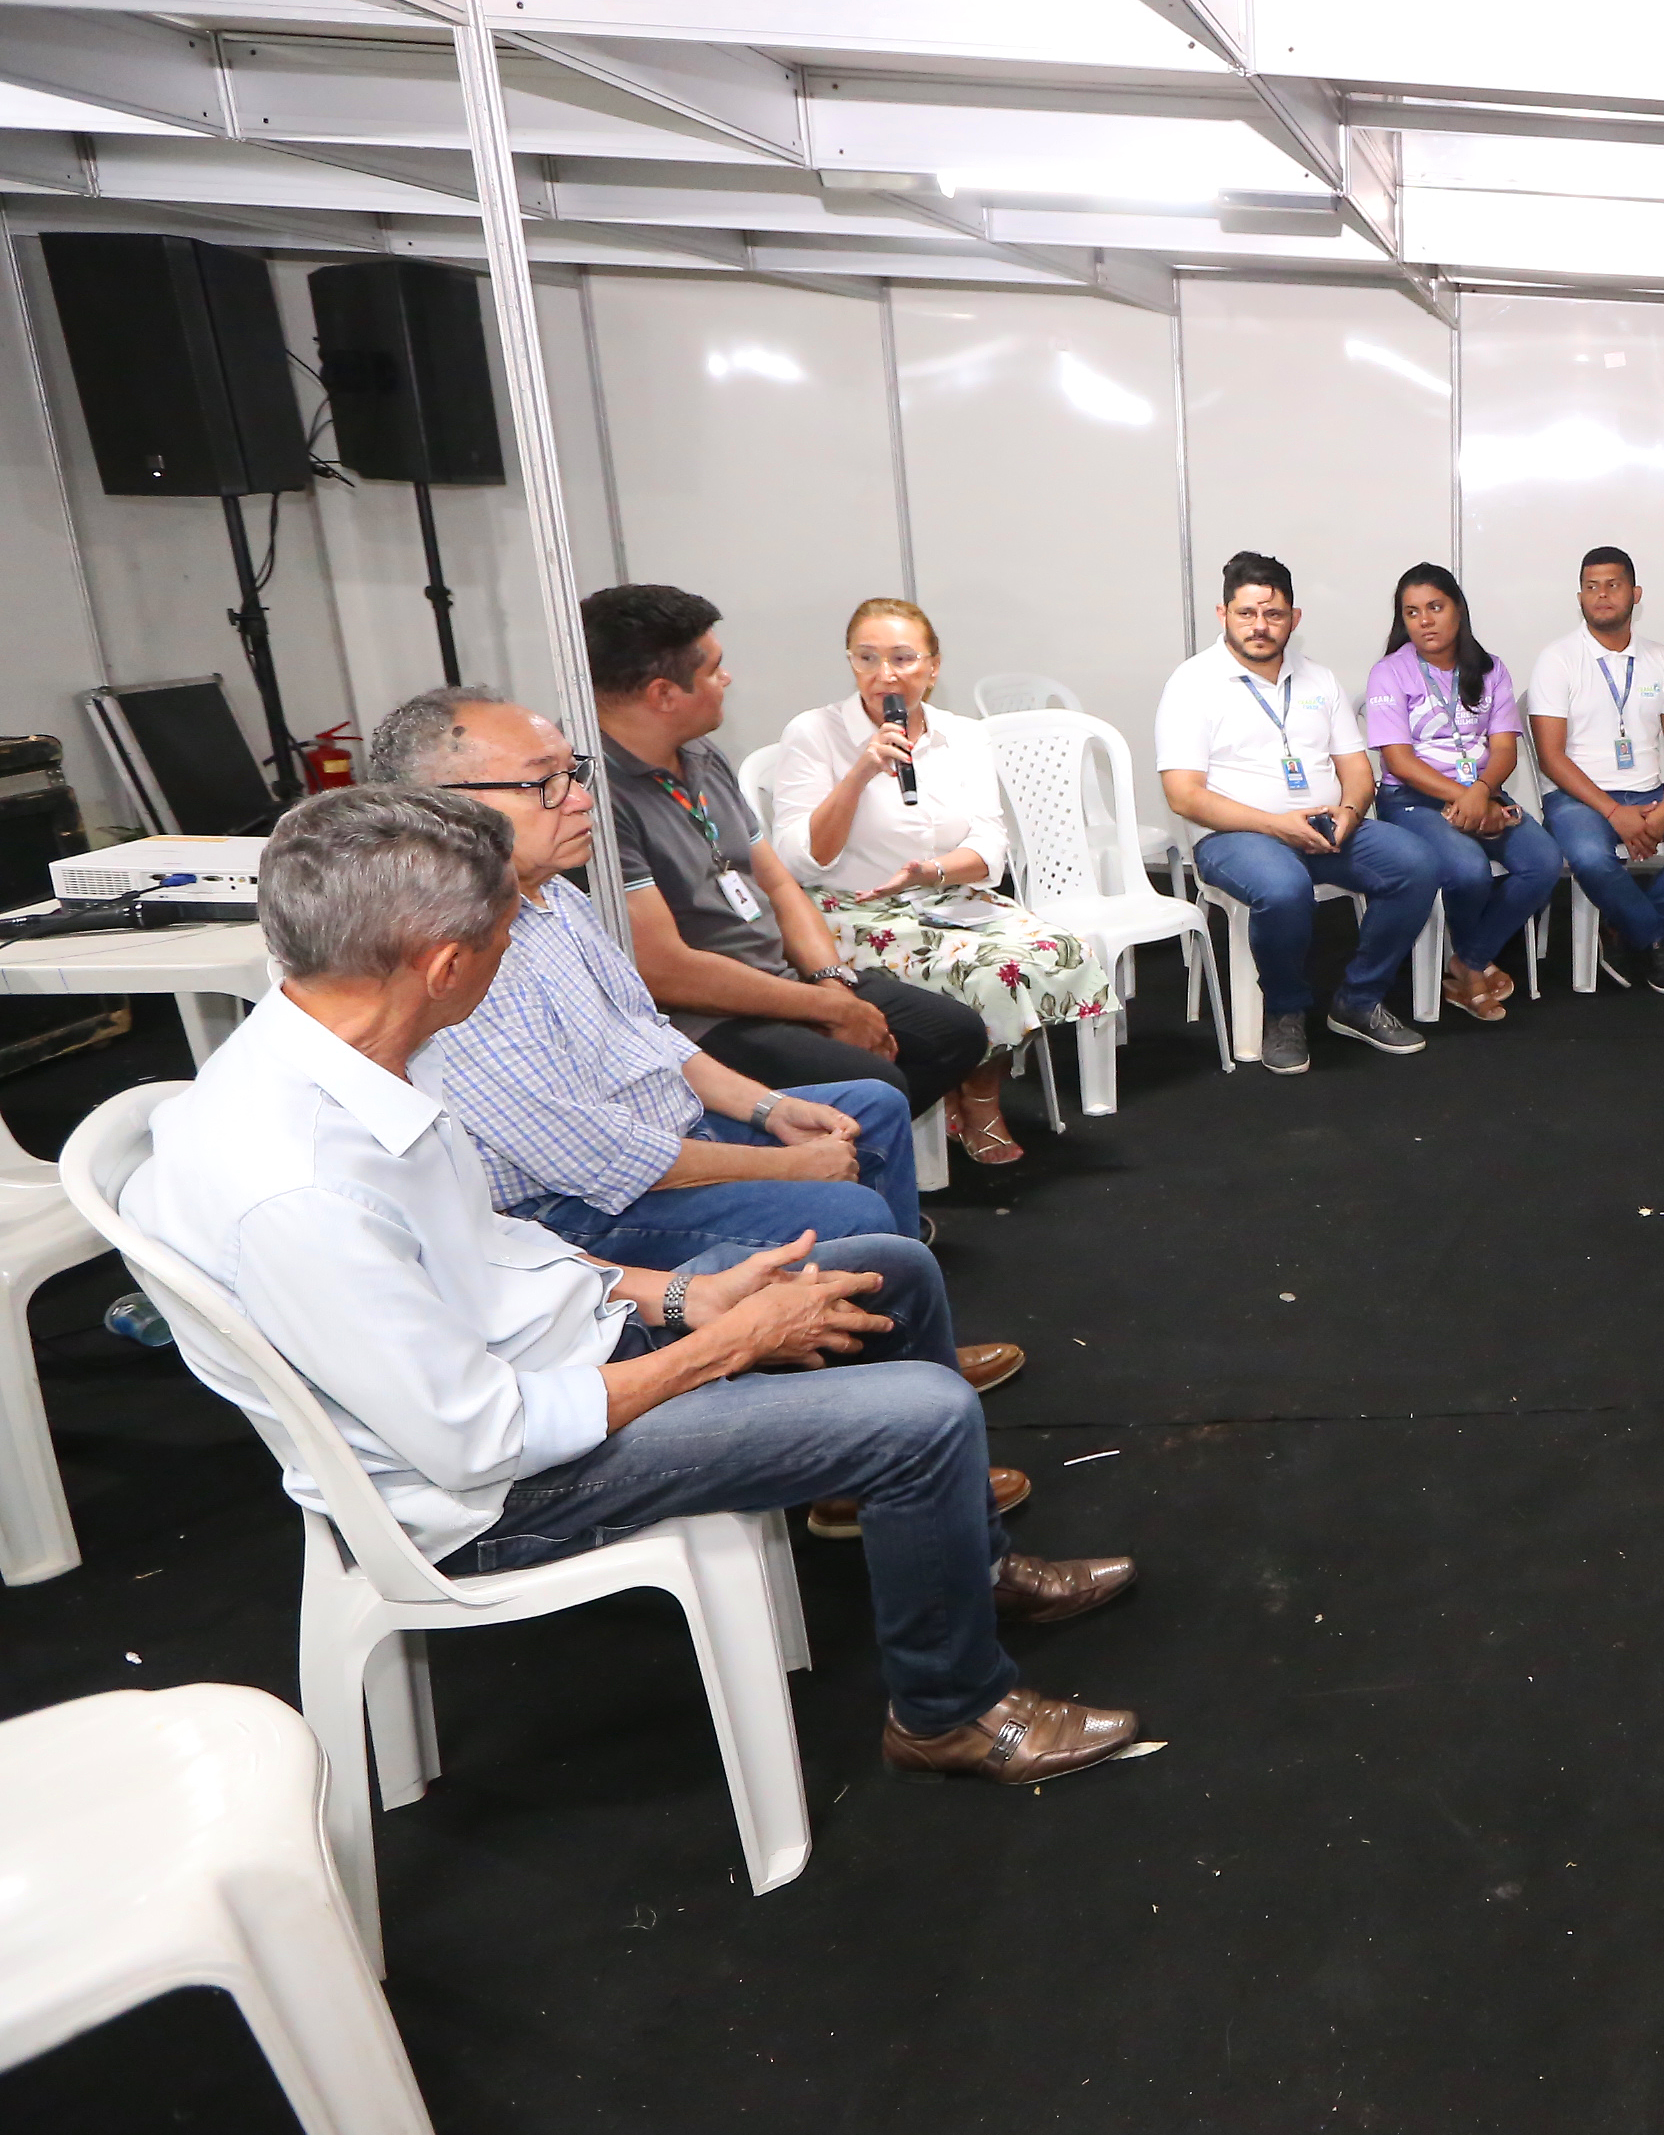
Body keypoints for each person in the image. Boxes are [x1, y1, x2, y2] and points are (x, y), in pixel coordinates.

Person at [123, 787, 1145, 1784]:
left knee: (892, 1270)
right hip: (491, 1490)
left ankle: (968, 1564)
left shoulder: (355, 1051)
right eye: (501, 938)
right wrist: (734, 1342)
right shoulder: (298, 1188)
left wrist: (678, 1299)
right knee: (923, 1413)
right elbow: (481, 1439)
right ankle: (951, 1713)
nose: (511, 951)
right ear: (444, 965)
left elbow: (490, 1249)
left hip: (543, 1365)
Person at [368, 687, 924, 1278]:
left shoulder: (556, 897)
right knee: (848, 1208)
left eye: (573, 773)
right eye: (544, 782)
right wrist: (789, 1168)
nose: (581, 799)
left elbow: (649, 1034)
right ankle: (879, 1298)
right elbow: (584, 1156)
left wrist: (771, 1109)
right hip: (574, 1207)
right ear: (445, 807)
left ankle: (895, 1294)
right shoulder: (449, 953)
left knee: (874, 1106)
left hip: (659, 1133)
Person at [582, 585, 990, 1124]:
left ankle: (839, 1141)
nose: (727, 680)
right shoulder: (591, 797)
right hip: (702, 1016)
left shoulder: (699, 753)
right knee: (875, 1084)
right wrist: (824, 1008)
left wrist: (831, 982)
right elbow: (667, 971)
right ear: (663, 694)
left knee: (954, 1033)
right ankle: (812, 1148)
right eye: (714, 670)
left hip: (783, 980)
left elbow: (777, 884)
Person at [771, 598, 1114, 1163]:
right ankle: (980, 1103)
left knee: (1056, 950)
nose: (886, 674)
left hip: (944, 893)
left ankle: (970, 1084)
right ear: (850, 662)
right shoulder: (814, 732)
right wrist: (860, 772)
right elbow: (800, 860)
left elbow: (991, 845)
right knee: (983, 971)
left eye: (903, 658)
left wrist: (930, 871)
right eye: (867, 658)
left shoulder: (964, 735)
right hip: (848, 908)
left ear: (933, 668)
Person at [1158, 550, 1437, 1074]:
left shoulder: (1319, 680)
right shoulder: (1192, 684)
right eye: (1246, 613)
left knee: (1417, 863)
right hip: (1234, 836)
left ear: (1294, 618)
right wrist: (1275, 825)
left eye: (1274, 614)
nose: (1260, 626)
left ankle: (1358, 1000)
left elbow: (1357, 769)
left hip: (1327, 826)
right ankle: (1285, 1011)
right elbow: (1184, 796)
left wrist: (1351, 810)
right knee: (1284, 888)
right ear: (1223, 614)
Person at [1526, 547, 1664, 995]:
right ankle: (1654, 936)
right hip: (1578, 798)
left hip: (1650, 791)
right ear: (1579, 598)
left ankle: (1623, 924)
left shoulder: (1661, 658)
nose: (1601, 595)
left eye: (1613, 585)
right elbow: (1551, 758)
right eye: (1591, 586)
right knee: (1590, 858)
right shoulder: (1557, 659)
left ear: (1635, 594)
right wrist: (1612, 811)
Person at [1360, 562, 1558, 1020]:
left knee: (1544, 862)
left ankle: (1468, 961)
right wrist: (1466, 796)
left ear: (1458, 610)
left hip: (1483, 792)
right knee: (1469, 870)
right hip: (1412, 799)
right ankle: (1473, 971)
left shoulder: (1490, 669)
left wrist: (1482, 792)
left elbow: (1504, 749)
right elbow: (1399, 761)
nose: (1424, 621)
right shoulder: (1389, 672)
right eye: (1412, 612)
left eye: (1435, 607)